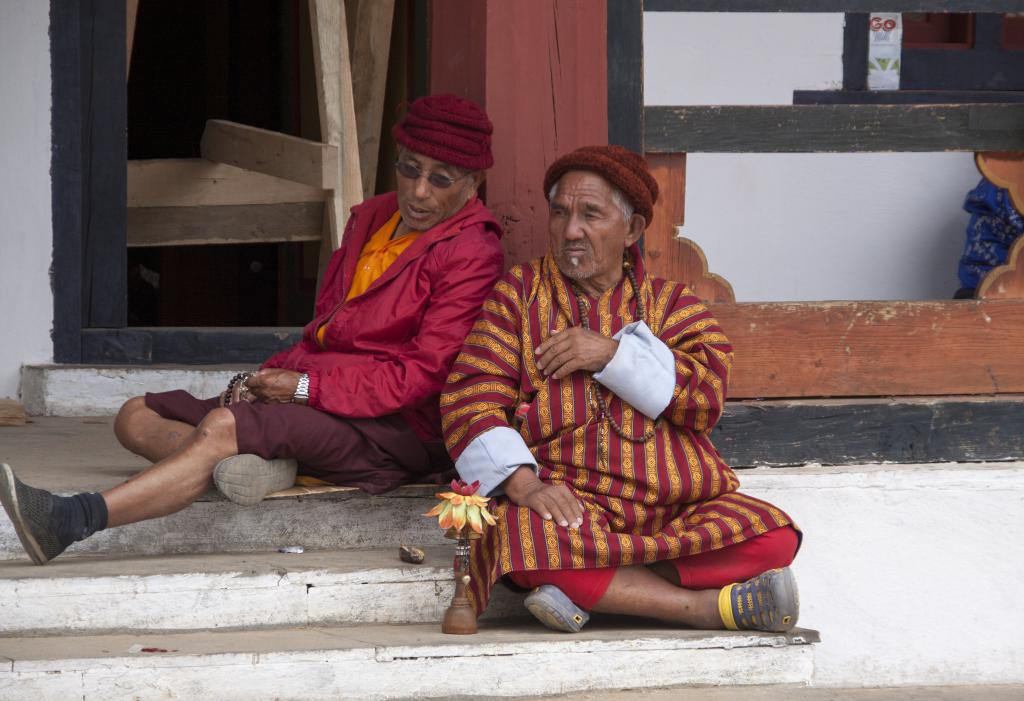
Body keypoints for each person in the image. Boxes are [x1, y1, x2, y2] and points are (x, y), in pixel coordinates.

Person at [1, 93, 505, 566]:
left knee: (221, 428)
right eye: (410, 169)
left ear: (473, 183)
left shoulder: (472, 251)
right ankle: (264, 464)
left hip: (392, 430)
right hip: (320, 395)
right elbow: (324, 332)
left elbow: (420, 376)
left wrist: (306, 388)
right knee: (135, 415)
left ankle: (72, 519)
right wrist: (274, 377)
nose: (418, 192)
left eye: (441, 179)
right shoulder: (372, 218)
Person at [441, 145, 801, 634]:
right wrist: (527, 487)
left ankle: (595, 587)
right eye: (561, 212)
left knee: (773, 537)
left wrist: (610, 355)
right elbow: (471, 398)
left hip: (676, 510)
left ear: (631, 230)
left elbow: (706, 399)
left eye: (591, 214)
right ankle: (701, 609)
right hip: (573, 508)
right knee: (522, 539)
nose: (571, 230)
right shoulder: (518, 296)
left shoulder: (673, 304)